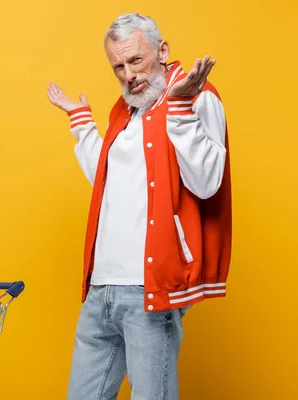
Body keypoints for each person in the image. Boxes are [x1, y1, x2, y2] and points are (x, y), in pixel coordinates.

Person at [46, 13, 232, 400]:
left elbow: (207, 181)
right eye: (118, 66)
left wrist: (180, 112)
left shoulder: (197, 95)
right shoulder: (125, 108)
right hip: (101, 289)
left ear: (162, 51)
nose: (128, 75)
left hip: (150, 289)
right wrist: (82, 125)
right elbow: (108, 180)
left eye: (136, 61)